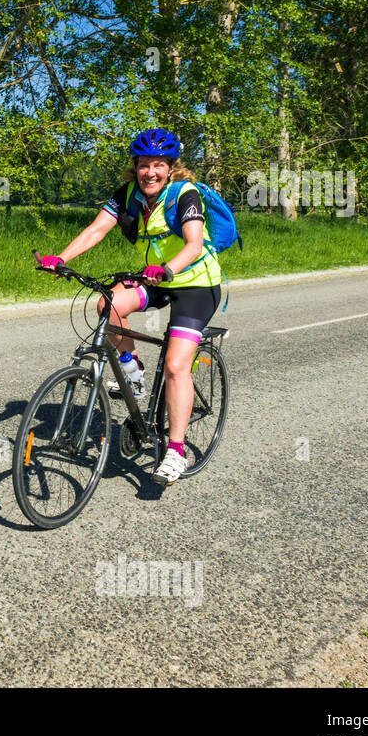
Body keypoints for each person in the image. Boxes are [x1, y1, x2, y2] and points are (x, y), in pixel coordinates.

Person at [38, 128, 222, 485]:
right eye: (143, 165)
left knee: (175, 366)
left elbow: (194, 245)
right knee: (107, 306)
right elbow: (97, 229)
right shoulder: (128, 195)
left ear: (171, 167)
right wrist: (60, 258)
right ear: (135, 167)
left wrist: (167, 269)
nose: (149, 172)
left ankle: (176, 451)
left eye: (158, 165)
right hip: (155, 278)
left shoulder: (186, 195)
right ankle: (133, 373)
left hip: (195, 284)